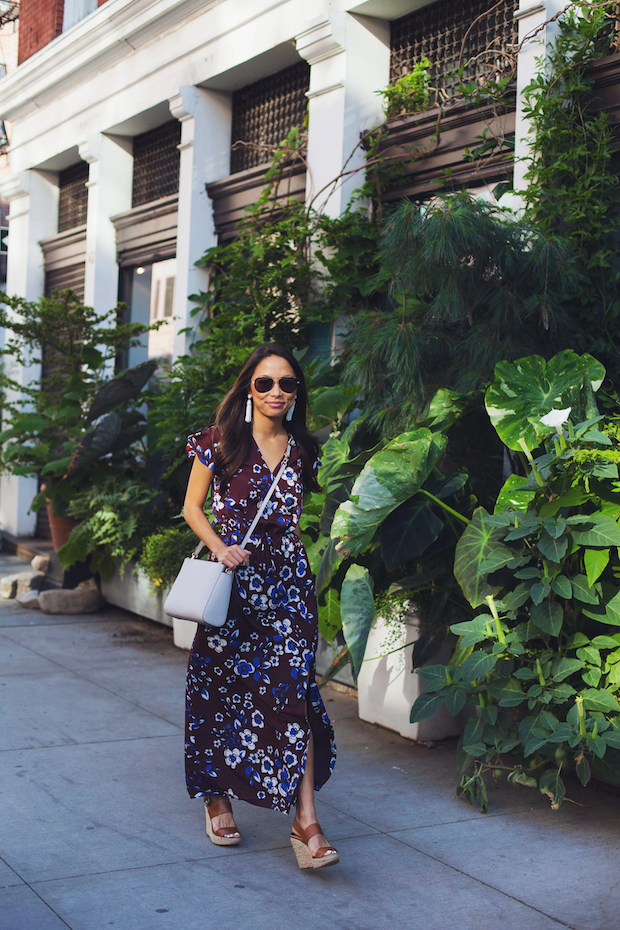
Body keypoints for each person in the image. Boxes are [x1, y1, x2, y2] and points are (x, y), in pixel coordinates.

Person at [183, 343, 338, 869]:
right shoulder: (219, 441)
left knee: (293, 690)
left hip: (288, 584)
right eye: (265, 383)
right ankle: (217, 795)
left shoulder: (303, 449)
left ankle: (306, 820)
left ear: (297, 394)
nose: (276, 392)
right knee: (222, 688)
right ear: (249, 387)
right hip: (233, 580)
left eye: (287, 384)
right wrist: (220, 545)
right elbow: (191, 506)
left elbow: (294, 519)